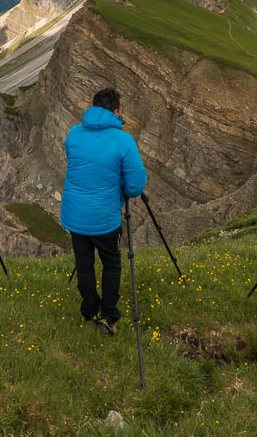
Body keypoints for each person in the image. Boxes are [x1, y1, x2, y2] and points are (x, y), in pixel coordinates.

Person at [60, 87, 147, 336]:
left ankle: (89, 310)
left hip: (74, 216)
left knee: (84, 264)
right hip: (104, 218)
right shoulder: (123, 140)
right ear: (116, 111)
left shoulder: (74, 133)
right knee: (111, 263)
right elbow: (135, 185)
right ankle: (109, 315)